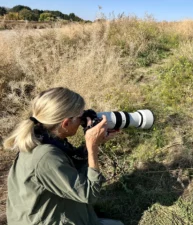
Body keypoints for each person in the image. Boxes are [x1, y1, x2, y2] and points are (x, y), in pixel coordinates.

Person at [4, 87, 124, 225]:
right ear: (66, 123)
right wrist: (92, 147)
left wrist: (91, 145)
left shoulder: (42, 136)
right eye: (80, 117)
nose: (82, 121)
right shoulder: (46, 156)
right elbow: (89, 194)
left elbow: (68, 165)